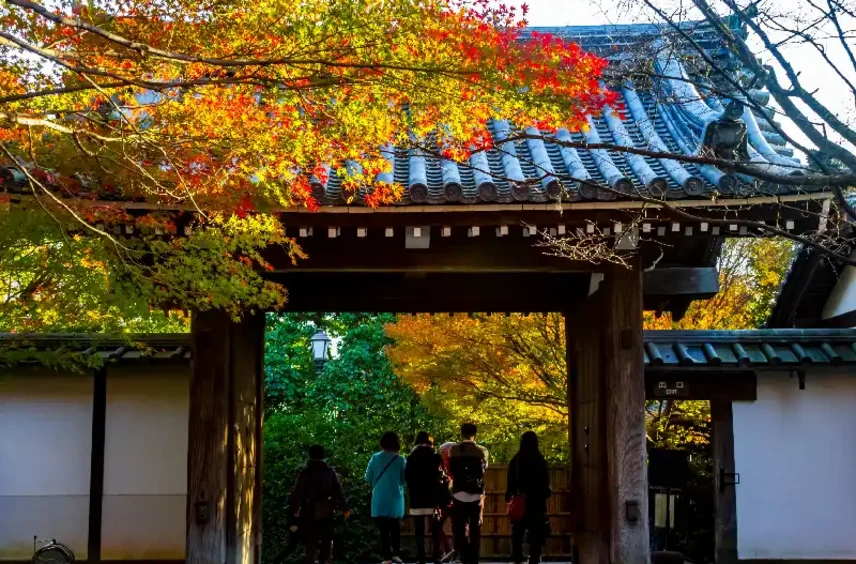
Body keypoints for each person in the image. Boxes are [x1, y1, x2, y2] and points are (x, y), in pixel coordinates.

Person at [288, 444, 350, 564]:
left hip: (308, 511)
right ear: (323, 455)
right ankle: (325, 560)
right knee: (327, 542)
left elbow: (297, 494)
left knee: (310, 543)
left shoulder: (305, 473)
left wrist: (293, 513)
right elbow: (337, 491)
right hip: (327, 510)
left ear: (310, 455)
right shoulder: (330, 472)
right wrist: (345, 508)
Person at [406, 431, 452, 564]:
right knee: (435, 529)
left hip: (417, 497)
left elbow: (408, 478)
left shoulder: (411, 458)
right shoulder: (436, 457)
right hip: (433, 498)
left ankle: (421, 558)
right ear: (430, 442)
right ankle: (436, 556)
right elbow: (442, 477)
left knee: (419, 529)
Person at [506, 431, 552, 564]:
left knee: (518, 531)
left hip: (520, 500)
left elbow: (511, 481)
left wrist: (510, 494)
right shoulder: (539, 460)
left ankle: (517, 556)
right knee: (536, 531)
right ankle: (534, 557)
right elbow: (545, 481)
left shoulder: (516, 460)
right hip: (537, 502)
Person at [448, 423, 489, 564]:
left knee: (459, 528)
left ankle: (465, 555)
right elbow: (483, 472)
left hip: (459, 492)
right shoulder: (481, 451)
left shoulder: (454, 450)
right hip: (476, 494)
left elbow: (451, 470)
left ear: (461, 434)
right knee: (475, 528)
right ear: (475, 434)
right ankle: (474, 558)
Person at [365, 431, 407, 564]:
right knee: (395, 527)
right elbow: (403, 479)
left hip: (379, 498)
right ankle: (396, 554)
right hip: (395, 498)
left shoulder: (375, 458)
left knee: (383, 530)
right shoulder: (400, 460)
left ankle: (387, 557)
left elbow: (367, 478)